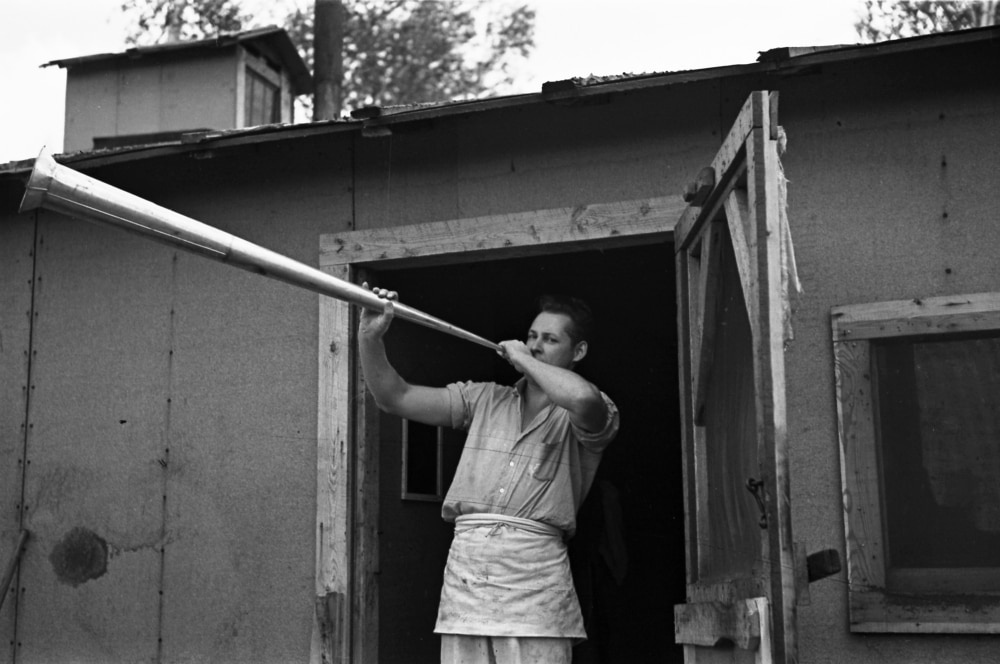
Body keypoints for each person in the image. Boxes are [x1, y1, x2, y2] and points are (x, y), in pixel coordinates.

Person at [358, 285, 620, 664]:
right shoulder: (483, 398)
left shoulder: (593, 407)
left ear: (578, 351)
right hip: (467, 578)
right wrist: (371, 337)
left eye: (550, 339)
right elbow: (393, 397)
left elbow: (581, 399)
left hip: (536, 583)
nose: (534, 345)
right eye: (531, 336)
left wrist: (522, 358)